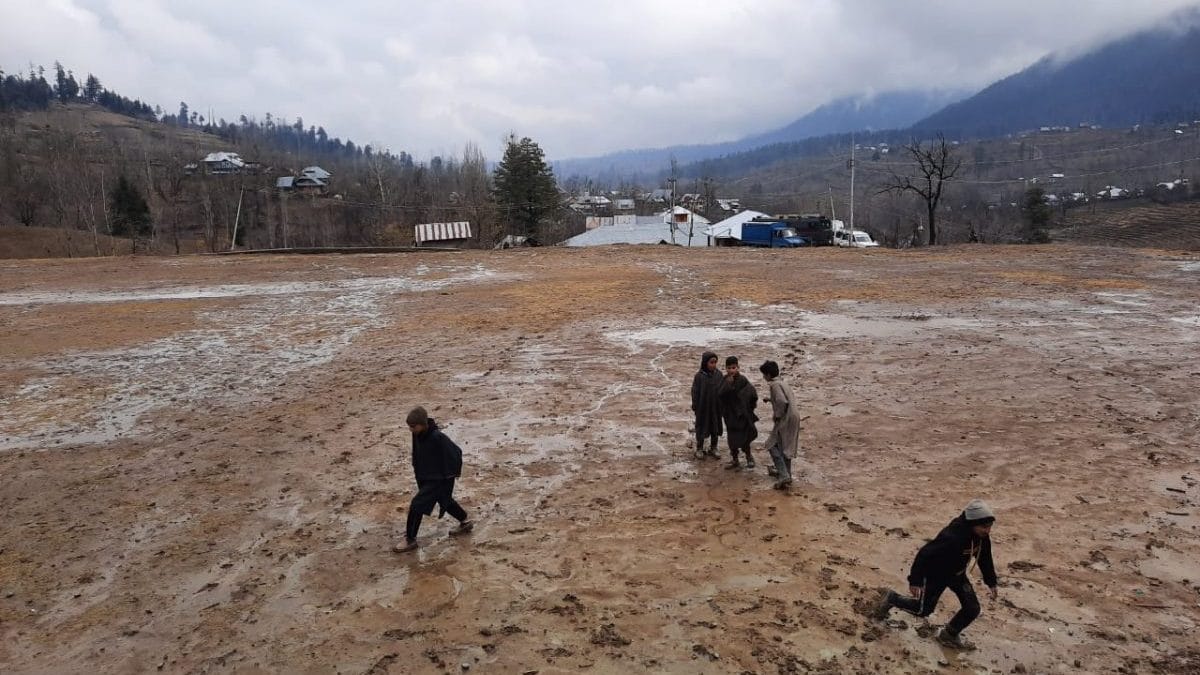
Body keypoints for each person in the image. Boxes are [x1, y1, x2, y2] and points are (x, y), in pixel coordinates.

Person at [870, 499, 999, 650]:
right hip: (935, 574)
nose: (987, 530)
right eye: (984, 527)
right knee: (922, 610)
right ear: (972, 523)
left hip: (957, 574)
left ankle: (949, 634)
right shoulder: (951, 537)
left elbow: (985, 558)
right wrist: (915, 581)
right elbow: (924, 554)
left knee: (972, 608)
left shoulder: (982, 537)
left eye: (990, 527)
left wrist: (991, 582)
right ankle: (892, 598)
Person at [394, 406, 473, 553]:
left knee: (417, 504)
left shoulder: (438, 437)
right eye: (409, 427)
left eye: (413, 426)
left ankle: (410, 539)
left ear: (423, 424)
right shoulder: (417, 435)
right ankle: (465, 521)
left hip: (439, 479)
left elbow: (456, 453)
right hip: (425, 476)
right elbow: (417, 453)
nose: (410, 430)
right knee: (445, 500)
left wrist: (450, 475)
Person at [758, 360, 802, 489]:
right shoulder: (782, 382)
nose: (763, 377)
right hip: (794, 417)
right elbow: (783, 398)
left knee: (772, 445)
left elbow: (782, 401)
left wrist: (777, 415)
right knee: (785, 446)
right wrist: (770, 399)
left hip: (786, 418)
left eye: (764, 375)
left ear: (768, 375)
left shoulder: (774, 385)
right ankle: (786, 473)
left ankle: (783, 475)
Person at [717, 356, 758, 469]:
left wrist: (749, 408)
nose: (731, 370)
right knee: (732, 439)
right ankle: (735, 460)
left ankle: (749, 457)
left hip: (743, 416)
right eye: (729, 368)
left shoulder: (743, 380)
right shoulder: (725, 380)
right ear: (726, 368)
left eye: (734, 368)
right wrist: (727, 385)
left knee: (745, 438)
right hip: (730, 416)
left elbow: (752, 394)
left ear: (738, 367)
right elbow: (720, 394)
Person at [690, 351, 723, 459]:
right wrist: (695, 405)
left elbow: (723, 390)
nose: (713, 365)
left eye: (715, 362)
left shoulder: (718, 375)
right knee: (701, 427)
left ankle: (714, 447)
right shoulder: (699, 376)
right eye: (711, 362)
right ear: (705, 363)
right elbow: (695, 391)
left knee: (715, 427)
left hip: (716, 408)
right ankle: (699, 448)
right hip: (702, 408)